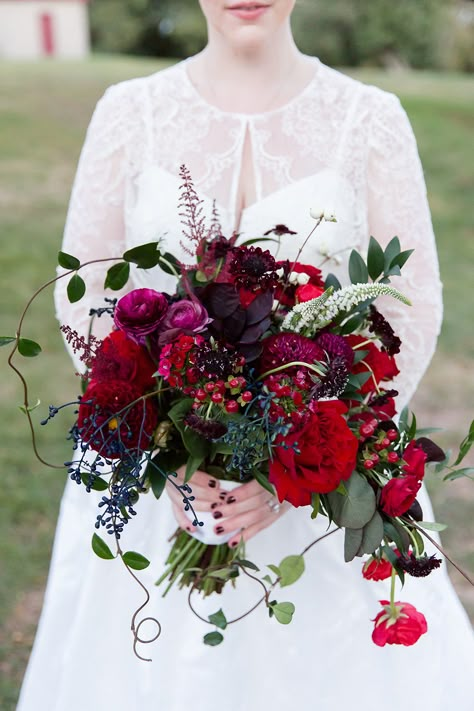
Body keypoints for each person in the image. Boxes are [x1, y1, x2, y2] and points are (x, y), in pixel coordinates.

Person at [17, 2, 474, 709]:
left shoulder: (370, 118)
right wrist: (163, 447)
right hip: (156, 486)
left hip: (317, 486)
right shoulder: (128, 111)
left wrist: (305, 458)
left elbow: (413, 303)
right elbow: (83, 292)